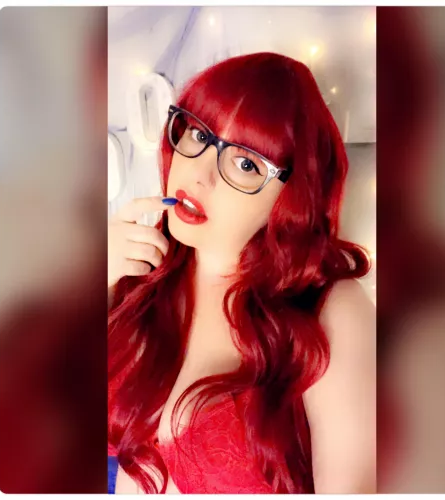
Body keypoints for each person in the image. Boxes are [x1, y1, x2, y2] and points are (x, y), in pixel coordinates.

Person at [107, 52, 375, 494]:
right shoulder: (139, 272)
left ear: (293, 195)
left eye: (246, 163)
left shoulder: (331, 310)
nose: (199, 173)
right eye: (198, 134)